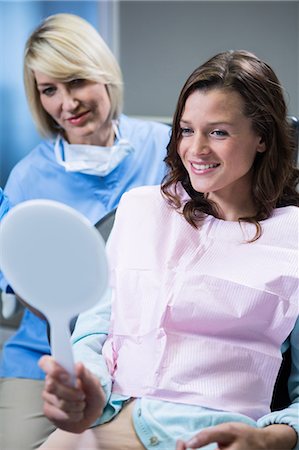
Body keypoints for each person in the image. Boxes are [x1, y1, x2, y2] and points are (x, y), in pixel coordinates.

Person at [37, 49, 299, 450]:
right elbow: (93, 329)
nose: (196, 150)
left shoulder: (292, 239)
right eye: (186, 130)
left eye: (219, 132)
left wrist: (271, 440)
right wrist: (84, 383)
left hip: (211, 437)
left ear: (262, 137)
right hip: (105, 421)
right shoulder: (141, 208)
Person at [0, 13, 171, 450]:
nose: (66, 104)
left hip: (148, 348)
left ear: (104, 75)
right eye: (49, 90)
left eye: (76, 82)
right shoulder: (26, 180)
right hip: (47, 354)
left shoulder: (167, 151)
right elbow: (25, 288)